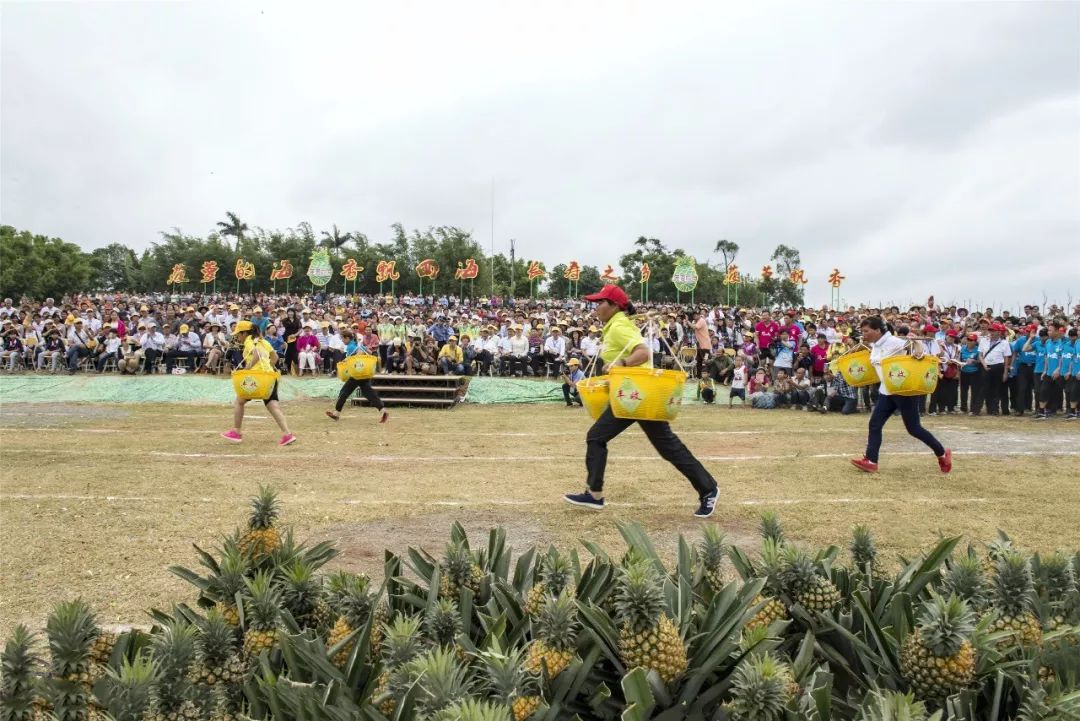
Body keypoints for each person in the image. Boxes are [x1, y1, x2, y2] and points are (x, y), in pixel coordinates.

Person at [563, 284, 719, 518]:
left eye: (600, 302)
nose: (596, 307)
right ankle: (708, 489)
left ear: (614, 306)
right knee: (667, 447)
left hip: (636, 394)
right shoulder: (615, 325)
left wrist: (622, 365)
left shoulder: (618, 326)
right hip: (632, 393)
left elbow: (644, 353)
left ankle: (595, 494)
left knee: (599, 437)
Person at [850, 316, 950, 474]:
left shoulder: (895, 342)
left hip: (904, 391)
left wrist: (916, 346)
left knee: (914, 429)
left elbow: (918, 349)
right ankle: (871, 461)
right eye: (862, 331)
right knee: (875, 424)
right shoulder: (874, 345)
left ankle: (942, 454)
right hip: (886, 391)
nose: (864, 334)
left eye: (866, 331)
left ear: (877, 330)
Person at [221, 320, 296, 446]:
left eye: (239, 334)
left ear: (245, 333)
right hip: (269, 377)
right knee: (273, 405)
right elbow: (275, 358)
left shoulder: (249, 341)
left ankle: (236, 432)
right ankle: (287, 434)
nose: (237, 337)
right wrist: (268, 368)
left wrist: (247, 368)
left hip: (256, 378)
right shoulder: (264, 341)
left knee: (239, 401)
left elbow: (257, 353)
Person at [325, 329, 388, 423]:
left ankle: (336, 414)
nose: (342, 341)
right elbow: (369, 352)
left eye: (342, 339)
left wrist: (344, 362)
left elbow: (352, 358)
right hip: (363, 372)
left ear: (347, 338)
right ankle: (383, 411)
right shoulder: (358, 344)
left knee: (344, 392)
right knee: (369, 394)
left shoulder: (351, 346)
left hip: (357, 374)